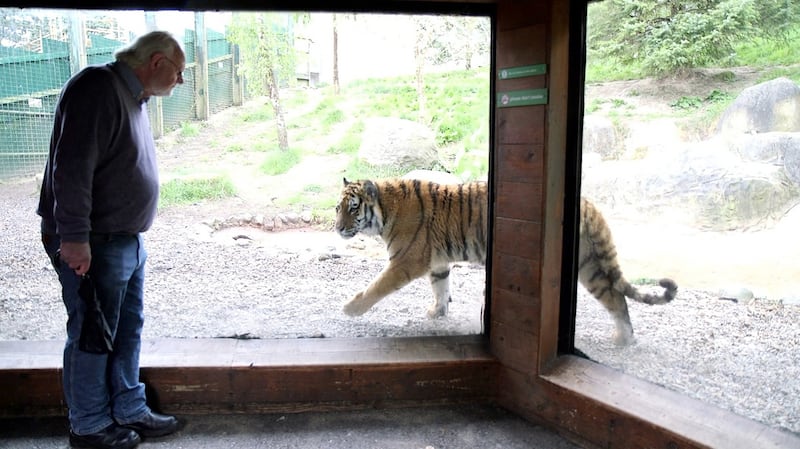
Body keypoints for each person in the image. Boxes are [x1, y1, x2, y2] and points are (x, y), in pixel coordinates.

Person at [38, 30, 185, 449]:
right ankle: (88, 426)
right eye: (178, 71)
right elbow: (71, 169)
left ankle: (127, 407)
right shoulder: (97, 88)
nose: (180, 81)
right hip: (95, 241)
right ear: (156, 62)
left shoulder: (131, 97)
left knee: (126, 329)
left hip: (124, 240)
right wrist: (75, 239)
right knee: (92, 333)